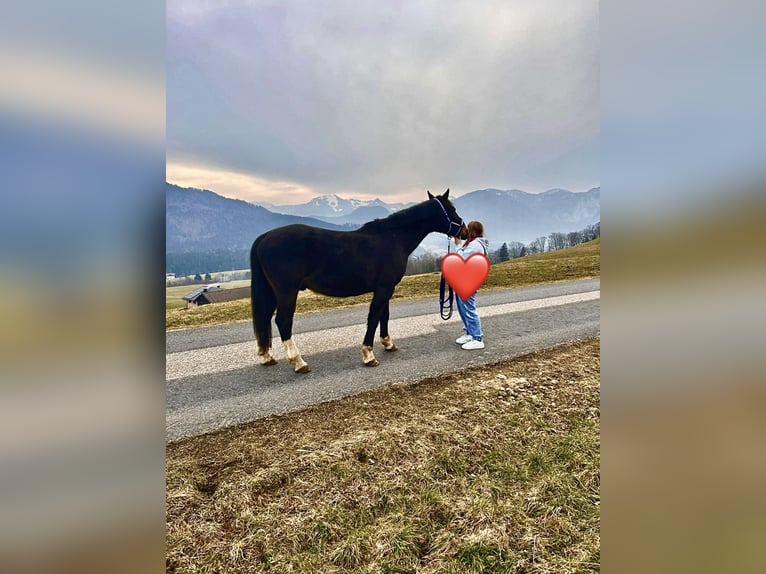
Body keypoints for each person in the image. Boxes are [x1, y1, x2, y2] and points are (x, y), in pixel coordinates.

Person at [452, 220, 489, 350]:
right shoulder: (473, 244)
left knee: (469, 309)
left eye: (468, 229)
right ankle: (469, 332)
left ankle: (477, 338)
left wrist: (457, 244)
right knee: (463, 309)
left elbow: (461, 257)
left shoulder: (476, 245)